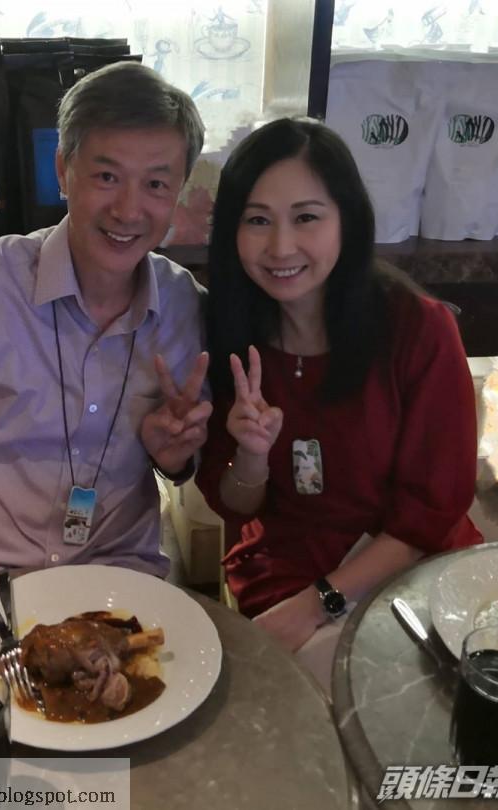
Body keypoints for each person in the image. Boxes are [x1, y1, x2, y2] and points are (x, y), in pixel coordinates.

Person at [0, 62, 212, 590]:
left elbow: (188, 457)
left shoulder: (185, 308)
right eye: (106, 176)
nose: (128, 210)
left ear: (177, 192)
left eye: (155, 184)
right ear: (62, 170)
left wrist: (174, 459)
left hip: (116, 581)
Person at [196, 117, 482, 660]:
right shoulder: (230, 330)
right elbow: (233, 501)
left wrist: (318, 602)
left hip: (410, 564)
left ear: (346, 219)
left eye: (306, 217)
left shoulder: (417, 329)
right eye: (257, 220)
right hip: (289, 565)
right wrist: (251, 455)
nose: (281, 246)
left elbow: (432, 511)